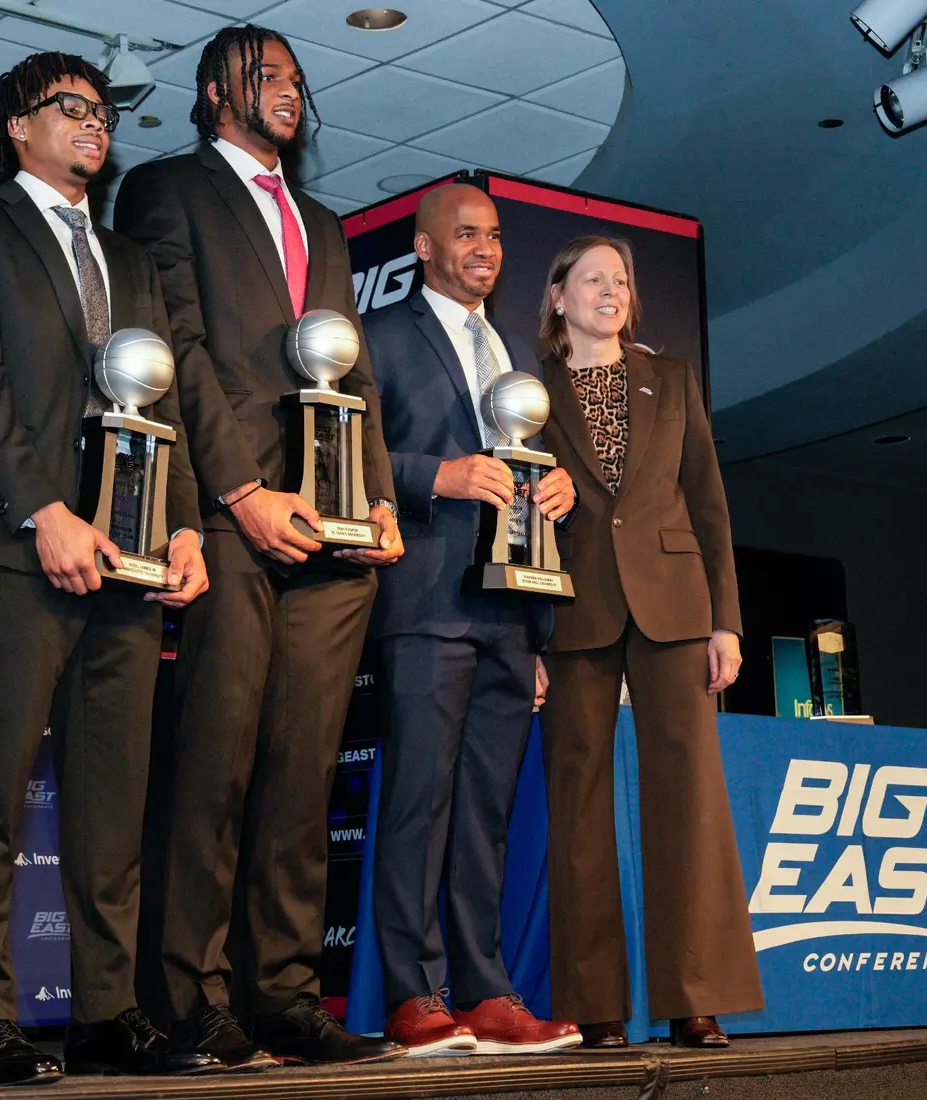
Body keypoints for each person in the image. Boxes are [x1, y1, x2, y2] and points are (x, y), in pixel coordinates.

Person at [0, 52, 214, 1085]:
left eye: (102, 113)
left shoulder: (129, 259)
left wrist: (181, 529)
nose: (95, 126)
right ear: (15, 127)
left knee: (108, 802)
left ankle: (106, 1012)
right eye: (71, 110)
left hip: (127, 556)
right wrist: (45, 508)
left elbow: (158, 407)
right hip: (17, 542)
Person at [114, 25, 406, 1070]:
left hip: (331, 535)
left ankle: (281, 993)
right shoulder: (162, 190)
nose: (287, 91)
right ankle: (184, 997)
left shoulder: (323, 222)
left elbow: (349, 369)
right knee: (213, 770)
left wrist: (371, 494)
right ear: (213, 91)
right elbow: (178, 346)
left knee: (299, 774)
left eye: (293, 78)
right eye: (266, 75)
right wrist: (239, 488)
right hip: (236, 516)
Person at [364, 183, 582, 1057]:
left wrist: (555, 488)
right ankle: (415, 996)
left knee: (486, 812)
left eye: (493, 236)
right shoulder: (379, 338)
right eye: (465, 234)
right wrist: (437, 476)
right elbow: (343, 456)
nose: (484, 248)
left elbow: (526, 470)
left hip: (509, 613)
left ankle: (487, 991)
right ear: (422, 247)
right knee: (419, 802)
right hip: (425, 602)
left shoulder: (516, 355)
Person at [534, 236, 764, 1048]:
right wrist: (527, 634)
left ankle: (691, 996)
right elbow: (512, 523)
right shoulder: (526, 392)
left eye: (621, 280)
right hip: (571, 610)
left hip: (675, 605)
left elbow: (707, 500)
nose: (611, 290)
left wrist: (726, 621)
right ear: (558, 296)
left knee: (689, 801)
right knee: (579, 805)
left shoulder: (670, 380)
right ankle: (594, 1005)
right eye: (593, 278)